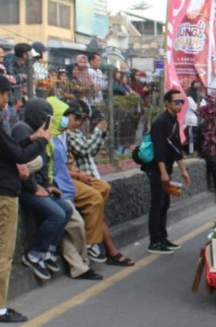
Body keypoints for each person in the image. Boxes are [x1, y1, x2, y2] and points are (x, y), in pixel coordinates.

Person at [0, 75, 50, 323]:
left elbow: (11, 147)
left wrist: (33, 138)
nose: (7, 99)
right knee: (3, 253)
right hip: (4, 194)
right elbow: (18, 155)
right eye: (6, 94)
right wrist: (41, 142)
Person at [65, 100, 135, 266]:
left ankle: (107, 250)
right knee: (96, 205)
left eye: (83, 120)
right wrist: (97, 132)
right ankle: (96, 246)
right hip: (76, 181)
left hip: (88, 177)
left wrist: (101, 134)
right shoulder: (65, 134)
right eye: (77, 118)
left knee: (102, 196)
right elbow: (84, 149)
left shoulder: (74, 132)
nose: (79, 123)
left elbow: (91, 150)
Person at [11, 98, 72, 281]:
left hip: (38, 186)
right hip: (25, 188)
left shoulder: (40, 132)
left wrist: (47, 185)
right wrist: (35, 188)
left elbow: (44, 162)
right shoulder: (22, 129)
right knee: (57, 215)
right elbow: (22, 162)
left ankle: (48, 251)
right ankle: (35, 254)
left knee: (67, 209)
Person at [46, 97, 102, 280]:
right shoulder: (47, 139)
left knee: (70, 227)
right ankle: (83, 260)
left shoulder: (61, 136)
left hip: (66, 189)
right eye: (63, 115)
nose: (67, 120)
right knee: (75, 224)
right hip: (58, 191)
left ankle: (80, 266)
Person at [144, 89, 190, 254]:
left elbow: (177, 148)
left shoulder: (174, 121)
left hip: (167, 168)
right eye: (177, 102)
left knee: (165, 204)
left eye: (181, 102)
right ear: (167, 103)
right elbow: (159, 150)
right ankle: (154, 242)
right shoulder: (160, 122)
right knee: (157, 204)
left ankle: (163, 238)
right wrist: (163, 173)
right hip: (157, 169)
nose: (180, 104)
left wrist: (183, 170)